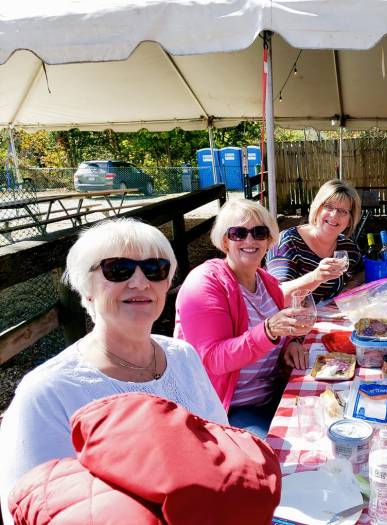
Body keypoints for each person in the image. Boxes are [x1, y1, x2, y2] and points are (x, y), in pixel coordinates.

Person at [0, 218, 228, 525]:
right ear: (87, 287)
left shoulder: (183, 356)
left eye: (154, 269)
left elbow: (224, 444)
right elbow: (23, 511)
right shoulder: (47, 391)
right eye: (118, 269)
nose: (139, 282)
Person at [9, 393, 281, 525]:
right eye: (116, 275)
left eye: (156, 275)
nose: (139, 282)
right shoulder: (42, 395)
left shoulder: (179, 354)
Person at [175, 198, 312, 438]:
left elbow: (275, 338)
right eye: (238, 233)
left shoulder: (266, 282)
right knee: (271, 457)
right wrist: (269, 330)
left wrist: (290, 344)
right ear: (225, 240)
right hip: (227, 408)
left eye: (259, 232)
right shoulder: (205, 283)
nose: (250, 240)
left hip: (273, 393)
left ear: (269, 240)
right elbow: (212, 360)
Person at [267, 179, 364, 303]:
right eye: (328, 206)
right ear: (317, 208)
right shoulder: (289, 242)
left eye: (343, 211)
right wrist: (316, 277)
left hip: (331, 319)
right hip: (292, 319)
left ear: (350, 220)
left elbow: (361, 272)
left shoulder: (346, 246)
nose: (334, 215)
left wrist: (350, 287)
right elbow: (278, 296)